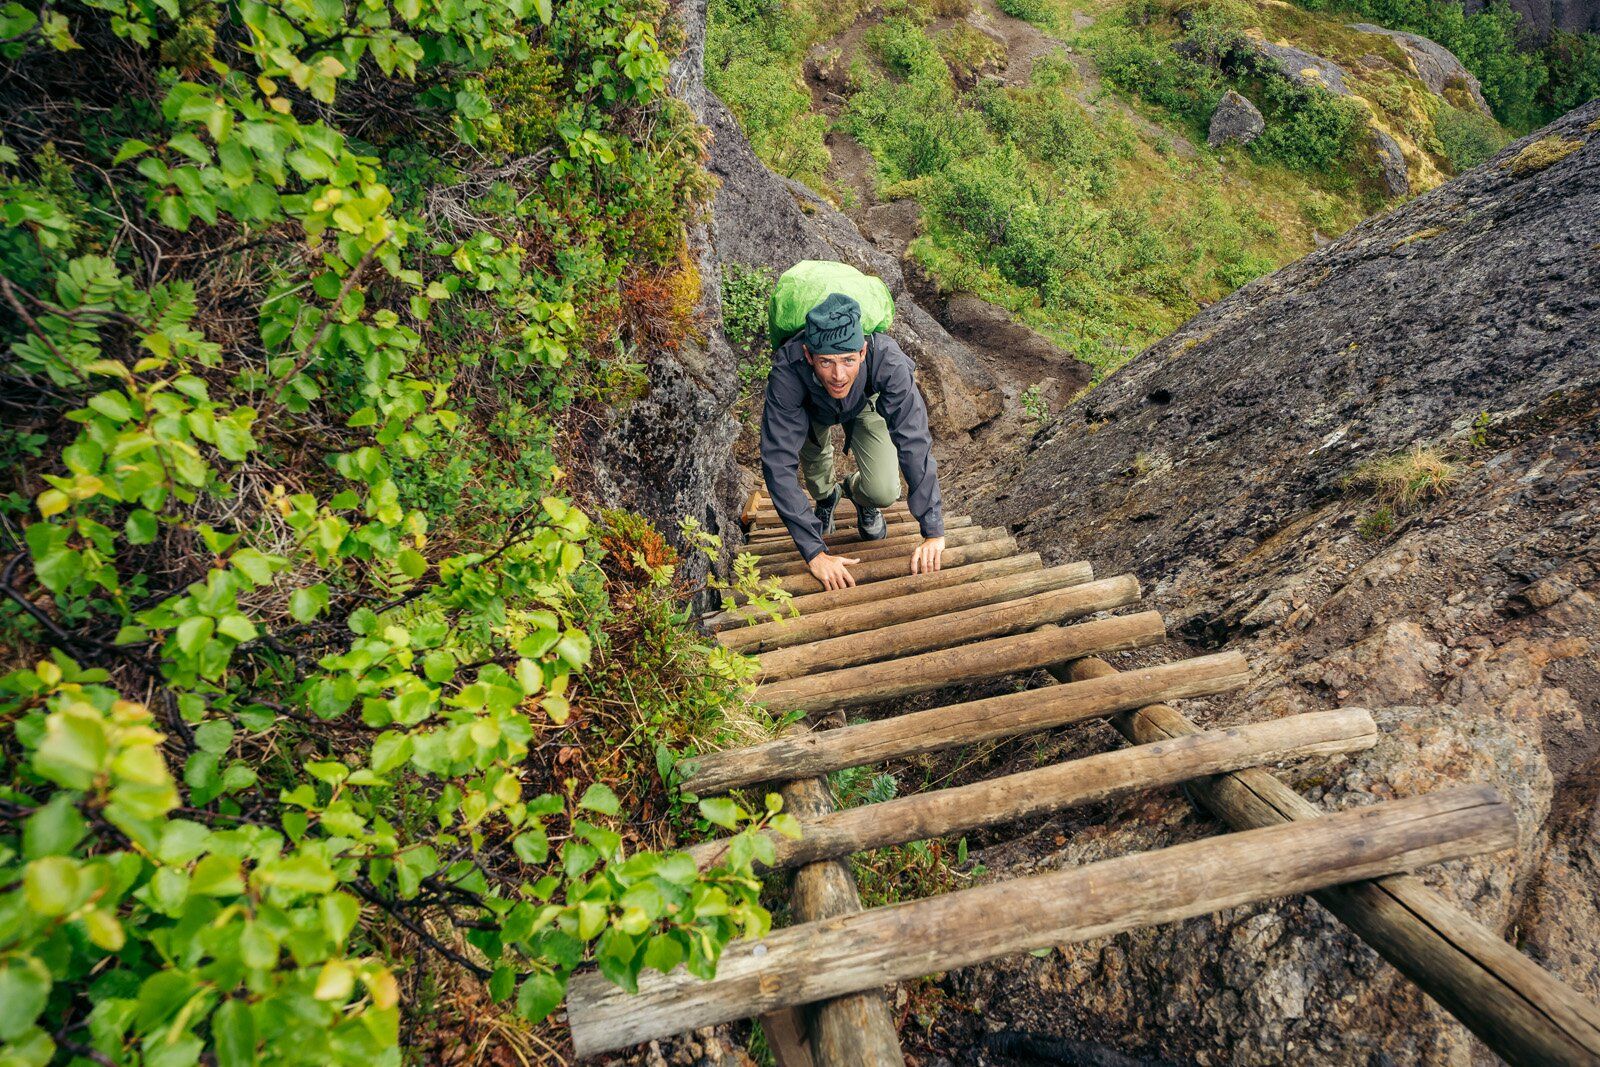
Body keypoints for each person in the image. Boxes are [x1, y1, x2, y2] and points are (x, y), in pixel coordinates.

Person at [759, 291, 946, 591]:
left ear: (862, 351)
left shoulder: (887, 360)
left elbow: (914, 440)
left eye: (848, 359)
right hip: (810, 406)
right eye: (826, 362)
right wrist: (815, 553)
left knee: (884, 490)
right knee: (817, 483)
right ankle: (827, 497)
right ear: (808, 356)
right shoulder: (789, 370)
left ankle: (858, 495)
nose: (838, 375)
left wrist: (933, 531)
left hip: (865, 401)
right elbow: (777, 462)